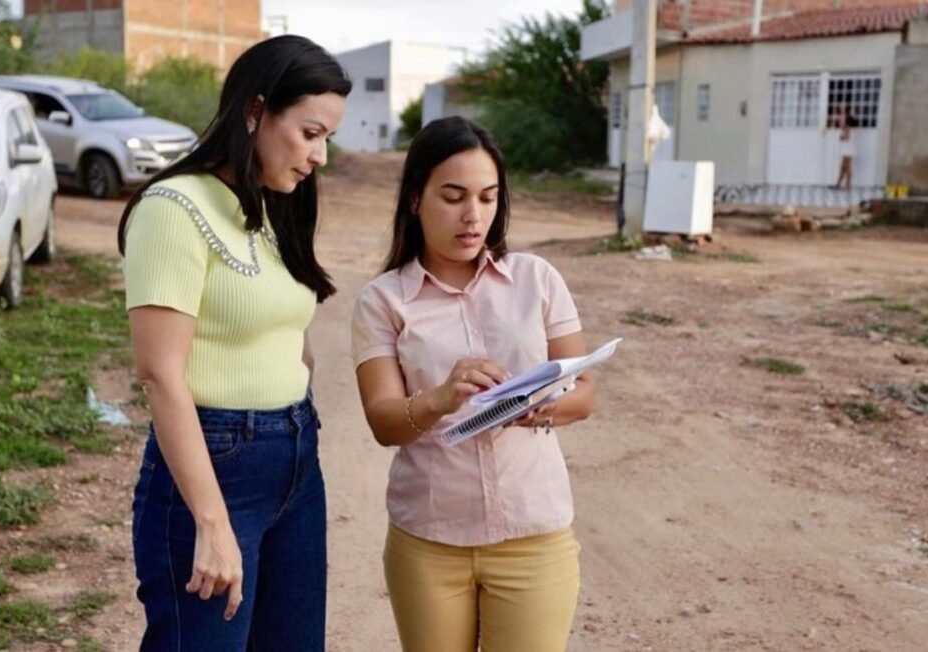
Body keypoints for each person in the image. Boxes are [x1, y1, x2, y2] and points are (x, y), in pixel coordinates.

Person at [118, 35, 349, 651]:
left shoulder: (269, 205)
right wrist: (212, 521)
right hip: (216, 465)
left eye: (327, 138)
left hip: (295, 460)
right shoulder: (173, 208)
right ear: (255, 110)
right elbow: (160, 373)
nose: (320, 156)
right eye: (310, 133)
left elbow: (285, 327)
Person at [351, 116, 597, 652]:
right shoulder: (383, 300)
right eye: (453, 196)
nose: (473, 216)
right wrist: (440, 398)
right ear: (415, 199)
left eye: (488, 197)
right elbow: (383, 421)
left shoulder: (537, 278)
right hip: (429, 541)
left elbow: (584, 391)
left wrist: (542, 408)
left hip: (533, 535)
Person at [834, 105, 855, 190]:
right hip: (848, 149)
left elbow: (846, 137)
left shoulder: (847, 127)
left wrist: (841, 137)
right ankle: (840, 184)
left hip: (848, 149)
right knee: (844, 167)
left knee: (846, 167)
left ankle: (847, 186)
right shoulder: (847, 127)